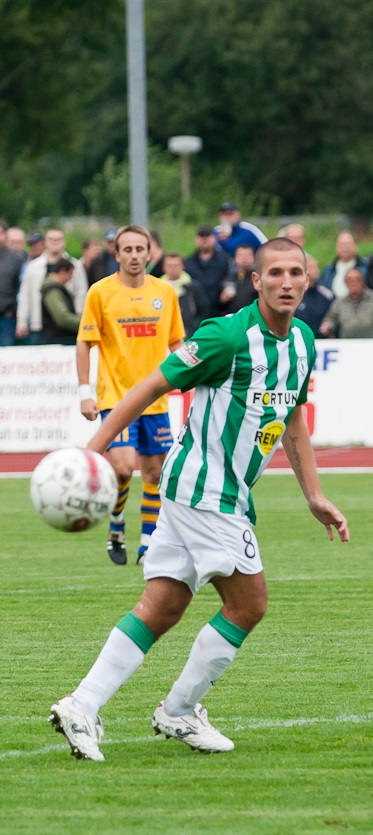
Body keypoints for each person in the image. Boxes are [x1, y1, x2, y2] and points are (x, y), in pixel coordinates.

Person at [48, 238, 349, 762]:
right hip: (204, 491)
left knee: (164, 605)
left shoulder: (302, 340)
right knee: (249, 604)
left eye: (294, 272)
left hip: (215, 492)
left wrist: (315, 495)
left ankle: (82, 704)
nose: (285, 281)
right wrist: (93, 453)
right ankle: (179, 709)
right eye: (273, 272)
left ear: (307, 279)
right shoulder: (225, 336)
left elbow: (295, 420)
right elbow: (147, 387)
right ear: (255, 281)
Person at [77, 225, 185, 567]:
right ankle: (116, 523)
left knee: (154, 474)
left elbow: (177, 343)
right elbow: (84, 342)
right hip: (116, 399)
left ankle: (149, 542)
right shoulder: (100, 292)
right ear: (117, 254)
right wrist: (85, 393)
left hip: (156, 401)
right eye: (128, 249)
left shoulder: (165, 293)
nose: (135, 255)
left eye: (141, 249)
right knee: (123, 469)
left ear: (150, 252)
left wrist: (192, 374)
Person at [16, 228, 87, 344]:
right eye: (51, 239)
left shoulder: (75, 265)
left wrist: (80, 320)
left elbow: (81, 293)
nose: (55, 242)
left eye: (58, 239)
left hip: (67, 327)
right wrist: (22, 322)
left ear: (64, 241)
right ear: (45, 242)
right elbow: (25, 295)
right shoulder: (33, 266)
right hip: (39, 325)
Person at [320, 268, 373, 339]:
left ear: (363, 281)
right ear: (345, 283)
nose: (353, 283)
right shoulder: (339, 302)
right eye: (350, 280)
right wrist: (328, 325)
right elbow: (330, 318)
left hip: (372, 345)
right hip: (347, 345)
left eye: (357, 280)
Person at [161, 252, 211, 337]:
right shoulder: (158, 287)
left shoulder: (193, 287)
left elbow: (204, 310)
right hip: (165, 334)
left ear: (182, 266)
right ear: (163, 267)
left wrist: (194, 326)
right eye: (169, 265)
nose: (173, 268)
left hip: (189, 334)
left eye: (176, 265)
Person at [184, 226, 231, 316]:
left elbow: (233, 276)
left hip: (219, 310)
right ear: (196, 239)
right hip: (195, 312)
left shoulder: (225, 259)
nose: (204, 240)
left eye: (207, 236)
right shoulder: (188, 262)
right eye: (201, 237)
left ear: (214, 238)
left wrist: (227, 289)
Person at [40, 257, 81, 345]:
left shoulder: (54, 289)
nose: (71, 278)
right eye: (70, 274)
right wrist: (85, 324)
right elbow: (62, 318)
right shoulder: (52, 291)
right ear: (62, 272)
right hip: (57, 340)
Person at [319, 231, 369, 299]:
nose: (345, 247)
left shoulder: (366, 265)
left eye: (348, 244)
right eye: (342, 244)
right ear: (336, 247)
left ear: (355, 246)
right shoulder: (329, 269)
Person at [295, 255, 334, 336]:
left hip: (322, 338)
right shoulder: (294, 292)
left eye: (316, 267)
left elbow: (334, 314)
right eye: (311, 267)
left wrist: (329, 324)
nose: (315, 270)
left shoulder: (326, 292)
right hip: (299, 336)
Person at [0, 225, 24, 346]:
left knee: (6, 353)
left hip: (6, 317)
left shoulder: (15, 259)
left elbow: (21, 288)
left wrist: (12, 310)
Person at [220, 244, 258, 315]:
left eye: (248, 255)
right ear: (235, 258)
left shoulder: (258, 278)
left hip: (253, 317)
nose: (244, 258)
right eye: (240, 255)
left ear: (254, 258)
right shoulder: (230, 278)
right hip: (233, 318)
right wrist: (223, 299)